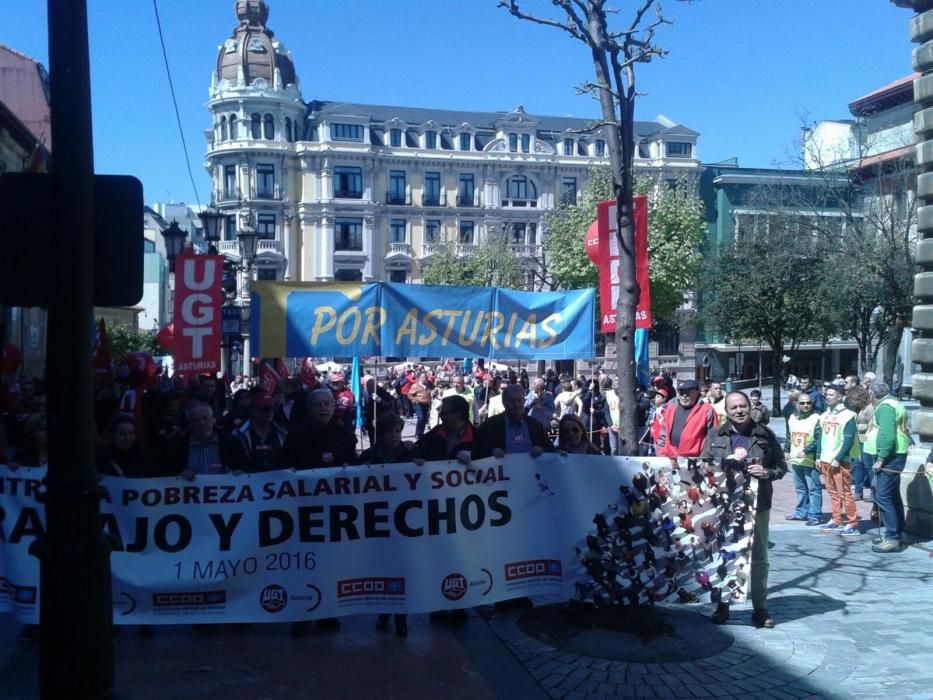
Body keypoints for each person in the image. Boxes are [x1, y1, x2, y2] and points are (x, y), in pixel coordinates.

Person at [701, 391, 786, 628]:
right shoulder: (716, 434)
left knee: (759, 558)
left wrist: (767, 473)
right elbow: (703, 464)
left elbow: (781, 466)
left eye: (742, 406)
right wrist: (717, 466)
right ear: (726, 412)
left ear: (750, 407)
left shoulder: (766, 435)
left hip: (757, 504)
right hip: (724, 505)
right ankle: (723, 605)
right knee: (724, 553)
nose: (739, 411)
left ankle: (760, 609)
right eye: (733, 408)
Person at [359, 412, 412, 637]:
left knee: (402, 570)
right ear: (381, 434)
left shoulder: (409, 453)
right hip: (378, 521)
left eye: (398, 431)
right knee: (383, 569)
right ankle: (384, 611)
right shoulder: (369, 456)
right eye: (390, 432)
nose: (395, 436)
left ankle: (401, 618)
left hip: (404, 523)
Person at [863, 381, 910, 553]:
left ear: (873, 395)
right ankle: (898, 532)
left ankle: (892, 538)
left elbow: (888, 435)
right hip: (897, 454)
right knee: (892, 495)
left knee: (883, 496)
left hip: (891, 456)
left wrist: (881, 458)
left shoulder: (885, 407)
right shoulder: (894, 403)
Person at [816, 385, 860, 536]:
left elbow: (847, 440)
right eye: (826, 394)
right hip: (825, 459)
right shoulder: (824, 415)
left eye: (831, 394)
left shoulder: (848, 415)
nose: (827, 397)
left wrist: (839, 458)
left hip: (839, 461)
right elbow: (820, 438)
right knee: (832, 492)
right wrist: (818, 456)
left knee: (845, 493)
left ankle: (852, 523)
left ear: (840, 397)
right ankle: (836, 519)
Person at [280, 389, 357, 470]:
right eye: (317, 405)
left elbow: (354, 464)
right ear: (310, 409)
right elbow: (283, 464)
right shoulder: (295, 437)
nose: (323, 408)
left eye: (326, 404)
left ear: (333, 407)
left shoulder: (346, 436)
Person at [164, 401, 242, 478]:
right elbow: (168, 476)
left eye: (205, 418)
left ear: (213, 420)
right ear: (189, 424)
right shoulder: (178, 447)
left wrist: (240, 473)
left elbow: (245, 468)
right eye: (196, 420)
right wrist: (179, 475)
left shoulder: (232, 443)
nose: (202, 423)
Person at [474, 384, 551, 459]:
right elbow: (476, 453)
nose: (516, 404)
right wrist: (491, 453)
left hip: (531, 471)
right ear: (504, 403)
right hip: (503, 471)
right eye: (512, 401)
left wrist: (542, 450)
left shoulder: (535, 425)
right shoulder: (489, 426)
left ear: (524, 401)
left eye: (519, 400)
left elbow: (551, 449)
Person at [655, 380, 718, 462]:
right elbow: (663, 435)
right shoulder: (671, 408)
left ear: (696, 392)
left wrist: (704, 459)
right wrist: (661, 456)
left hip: (695, 461)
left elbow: (714, 438)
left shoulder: (707, 410)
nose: (684, 396)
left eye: (688, 392)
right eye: (681, 392)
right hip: (670, 460)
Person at [785, 392, 822, 525]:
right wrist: (786, 450)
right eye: (802, 403)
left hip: (809, 459)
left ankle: (815, 515)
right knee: (800, 488)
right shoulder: (792, 418)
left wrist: (806, 450)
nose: (806, 405)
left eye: (808, 403)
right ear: (797, 404)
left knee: (813, 489)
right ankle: (801, 512)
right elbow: (789, 435)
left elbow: (819, 439)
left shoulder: (817, 418)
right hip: (796, 459)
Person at [233, 392, 288, 472]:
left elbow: (288, 458)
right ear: (253, 410)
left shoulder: (282, 432)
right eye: (265, 409)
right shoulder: (238, 434)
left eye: (272, 408)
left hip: (278, 482)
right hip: (250, 482)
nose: (270, 412)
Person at [412, 395, 475, 462]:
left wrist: (472, 463)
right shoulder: (437, 431)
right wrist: (416, 458)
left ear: (458, 415)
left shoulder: (477, 437)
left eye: (444, 413)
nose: (440, 415)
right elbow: (417, 449)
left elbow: (484, 466)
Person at [407, 372, 432, 440]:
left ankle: (421, 433)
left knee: (424, 419)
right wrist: (414, 399)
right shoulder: (415, 385)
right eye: (423, 377)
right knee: (421, 417)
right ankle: (417, 434)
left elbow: (429, 393)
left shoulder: (428, 385)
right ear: (420, 378)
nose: (425, 379)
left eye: (426, 377)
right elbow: (409, 394)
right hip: (418, 404)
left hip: (426, 404)